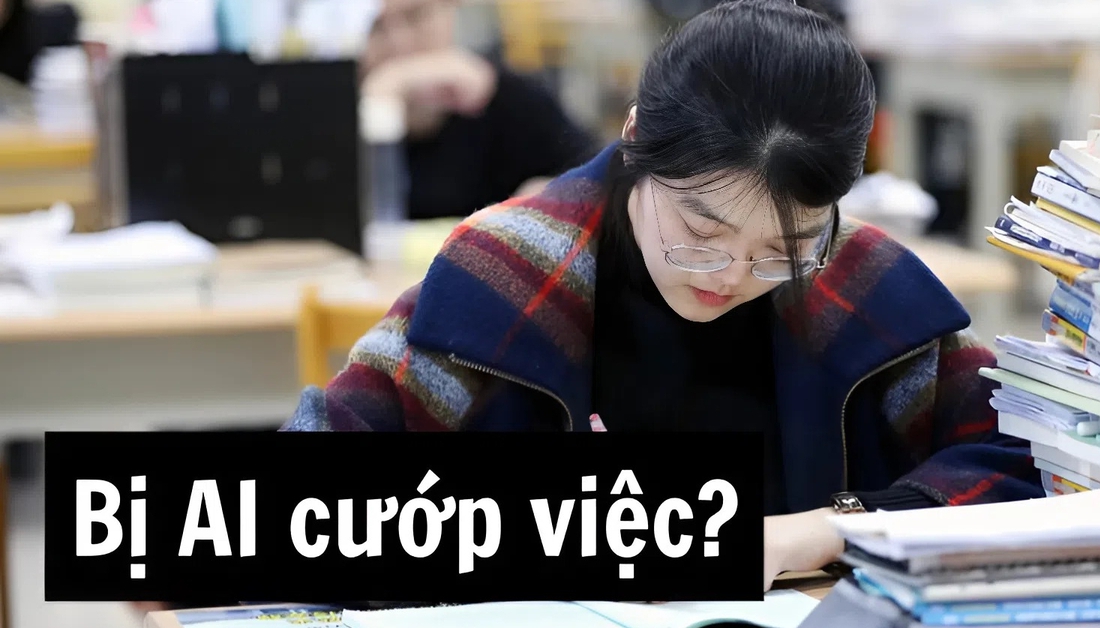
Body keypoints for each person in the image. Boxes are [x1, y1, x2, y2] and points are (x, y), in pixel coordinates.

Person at [284, 0, 1042, 591]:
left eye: (779, 250)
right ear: (636, 137)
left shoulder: (859, 284)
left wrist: (829, 527)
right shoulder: (506, 274)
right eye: (701, 231)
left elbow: (1027, 464)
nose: (730, 275)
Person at [359, 0, 597, 220]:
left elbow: (601, 178)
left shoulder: (509, 97)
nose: (400, 41)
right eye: (376, 27)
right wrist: (382, 90)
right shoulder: (346, 117)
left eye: (415, 16)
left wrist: (552, 194)